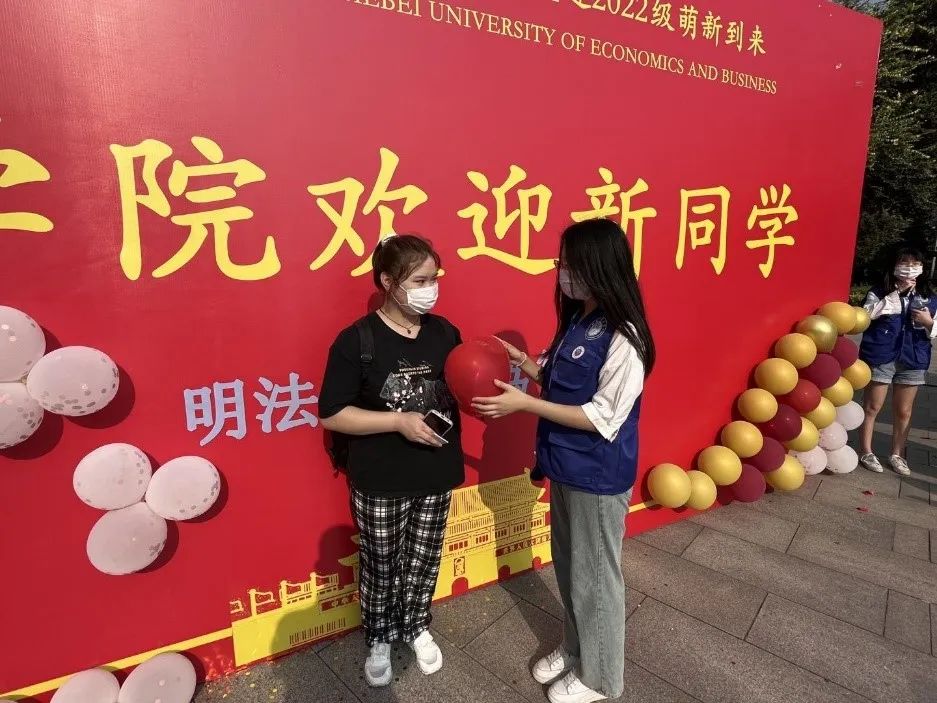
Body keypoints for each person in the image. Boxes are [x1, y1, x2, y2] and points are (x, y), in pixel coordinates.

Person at [472, 218, 655, 703]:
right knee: (572, 570)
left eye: (570, 264)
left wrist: (525, 405)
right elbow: (561, 384)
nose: (562, 272)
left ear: (600, 266)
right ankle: (577, 649)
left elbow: (602, 417)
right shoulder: (580, 318)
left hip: (597, 474)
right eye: (562, 263)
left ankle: (601, 678)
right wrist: (526, 364)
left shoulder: (626, 336)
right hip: (565, 468)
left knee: (596, 579)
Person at [318, 234, 464, 687]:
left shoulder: (445, 333)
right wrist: (397, 422)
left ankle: (416, 624)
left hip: (436, 472)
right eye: (419, 280)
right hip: (381, 479)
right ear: (387, 282)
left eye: (434, 278)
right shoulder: (357, 341)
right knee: (381, 565)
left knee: (424, 559)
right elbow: (332, 413)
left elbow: (460, 388)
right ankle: (379, 636)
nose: (430, 288)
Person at [858, 246, 936, 476]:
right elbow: (865, 316)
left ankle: (897, 454)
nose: (910, 268)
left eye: (915, 264)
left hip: (913, 358)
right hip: (881, 355)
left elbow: (935, 327)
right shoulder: (878, 292)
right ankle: (866, 451)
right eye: (904, 263)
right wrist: (895, 294)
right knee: (872, 407)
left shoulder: (929, 297)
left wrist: (928, 322)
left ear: (922, 268)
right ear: (894, 266)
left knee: (904, 411)